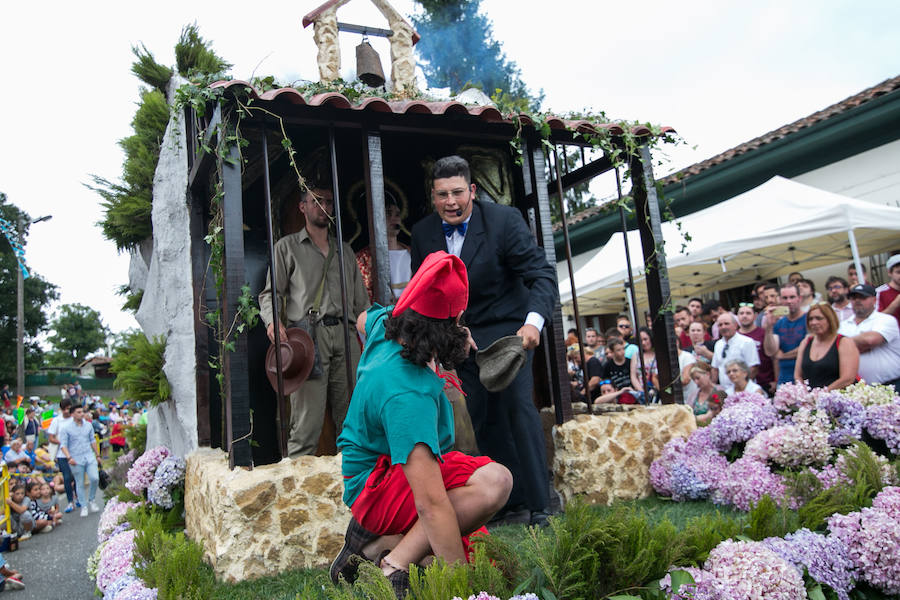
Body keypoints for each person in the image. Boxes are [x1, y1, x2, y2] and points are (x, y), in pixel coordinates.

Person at [333, 251, 512, 595]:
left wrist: (452, 335)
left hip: (380, 474)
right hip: (377, 486)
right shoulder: (407, 396)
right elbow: (430, 503)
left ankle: (372, 546)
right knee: (495, 483)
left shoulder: (387, 322)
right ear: (456, 318)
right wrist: (466, 589)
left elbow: (361, 319)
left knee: (493, 565)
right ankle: (392, 562)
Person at [409, 155, 557, 527]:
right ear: (433, 196)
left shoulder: (505, 221)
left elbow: (541, 275)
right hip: (460, 341)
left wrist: (532, 324)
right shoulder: (423, 234)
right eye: (442, 195)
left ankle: (542, 506)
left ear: (472, 190)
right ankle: (509, 502)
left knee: (518, 411)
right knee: (485, 420)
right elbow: (425, 292)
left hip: (510, 337)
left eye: (458, 192)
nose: (451, 202)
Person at [258, 183, 370, 457]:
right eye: (317, 201)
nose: (324, 207)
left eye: (329, 202)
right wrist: (273, 322)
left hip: (346, 336)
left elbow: (362, 304)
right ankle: (297, 493)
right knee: (306, 426)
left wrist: (376, 338)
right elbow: (270, 294)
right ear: (303, 206)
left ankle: (355, 489)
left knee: (354, 421)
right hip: (309, 338)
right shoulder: (287, 248)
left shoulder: (344, 250)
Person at [838, 283, 900, 390]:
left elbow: (871, 340)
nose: (857, 300)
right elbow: (835, 349)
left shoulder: (885, 319)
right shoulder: (842, 326)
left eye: (862, 297)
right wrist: (856, 345)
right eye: (853, 298)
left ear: (874, 300)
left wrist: (847, 346)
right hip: (860, 390)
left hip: (892, 385)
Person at [356, 192, 412, 303]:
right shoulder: (363, 259)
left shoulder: (412, 252)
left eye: (397, 214)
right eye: (388, 214)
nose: (394, 219)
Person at [794, 303, 859, 390]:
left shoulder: (844, 342)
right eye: (810, 319)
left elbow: (847, 379)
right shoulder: (806, 342)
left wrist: (822, 395)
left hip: (837, 398)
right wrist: (802, 394)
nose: (814, 322)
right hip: (810, 399)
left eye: (819, 318)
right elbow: (797, 375)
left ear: (830, 320)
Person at [59, 404, 102, 517]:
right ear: (72, 414)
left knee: (94, 478)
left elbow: (92, 440)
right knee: (79, 482)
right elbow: (63, 445)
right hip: (75, 458)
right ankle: (83, 505)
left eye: (82, 412)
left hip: (89, 455)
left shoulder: (88, 425)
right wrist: (69, 457)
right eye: (78, 412)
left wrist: (97, 455)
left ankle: (91, 499)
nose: (81, 414)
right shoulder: (66, 428)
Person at [764, 284, 807, 386]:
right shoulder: (779, 323)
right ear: (780, 300)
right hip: (784, 378)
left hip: (805, 376)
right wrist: (769, 326)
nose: (789, 301)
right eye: (785, 298)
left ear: (799, 298)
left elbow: (807, 347)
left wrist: (783, 356)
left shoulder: (809, 319)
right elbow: (770, 351)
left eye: (792, 297)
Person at [711, 312, 759, 393]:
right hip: (725, 391)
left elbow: (753, 368)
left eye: (726, 324)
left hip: (745, 391)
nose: (723, 327)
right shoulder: (718, 344)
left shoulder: (747, 342)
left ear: (735, 325)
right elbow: (715, 368)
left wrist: (742, 388)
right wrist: (713, 389)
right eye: (720, 325)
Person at [737, 303, 777, 395]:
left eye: (748, 313)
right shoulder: (734, 336)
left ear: (755, 316)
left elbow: (773, 358)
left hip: (765, 382)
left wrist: (775, 380)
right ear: (737, 316)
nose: (744, 316)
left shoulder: (763, 333)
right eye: (741, 313)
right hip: (743, 385)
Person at [47, 398, 76, 513]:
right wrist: (61, 442)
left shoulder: (74, 419)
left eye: (69, 409)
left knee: (77, 476)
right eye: (65, 409)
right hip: (62, 454)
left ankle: (78, 496)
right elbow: (51, 437)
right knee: (67, 477)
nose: (67, 411)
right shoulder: (57, 421)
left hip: (75, 452)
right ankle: (70, 501)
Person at [629, 327, 658, 398]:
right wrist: (641, 391)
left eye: (645, 339)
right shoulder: (636, 355)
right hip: (642, 391)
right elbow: (633, 376)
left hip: (657, 390)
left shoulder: (658, 354)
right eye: (640, 340)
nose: (643, 343)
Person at [876, 253, 900, 328]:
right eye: (898, 272)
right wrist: (895, 304)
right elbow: (876, 319)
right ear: (889, 273)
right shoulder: (880, 292)